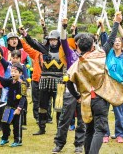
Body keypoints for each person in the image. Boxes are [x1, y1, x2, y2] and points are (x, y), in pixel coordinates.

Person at [67, 12, 123, 154]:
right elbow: (111, 39)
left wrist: (77, 96)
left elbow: (69, 83)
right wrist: (116, 23)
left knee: (89, 129)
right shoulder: (100, 55)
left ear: (78, 48)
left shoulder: (76, 64)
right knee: (100, 130)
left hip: (86, 100)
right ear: (92, 46)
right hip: (101, 98)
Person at [19, 28, 64, 135]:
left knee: (59, 107)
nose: (52, 42)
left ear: (58, 40)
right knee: (42, 106)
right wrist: (25, 35)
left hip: (60, 81)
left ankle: (59, 129)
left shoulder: (63, 51)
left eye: (54, 40)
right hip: (44, 81)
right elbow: (34, 44)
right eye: (51, 40)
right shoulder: (44, 50)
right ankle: (42, 128)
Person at [52, 21, 86, 154]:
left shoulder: (90, 55)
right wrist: (64, 28)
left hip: (84, 92)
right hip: (70, 91)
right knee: (65, 119)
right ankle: (59, 144)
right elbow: (63, 40)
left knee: (82, 121)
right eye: (81, 40)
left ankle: (79, 145)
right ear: (76, 42)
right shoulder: (70, 53)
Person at [0, 31, 28, 131]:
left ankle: (19, 123)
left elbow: (25, 76)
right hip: (6, 85)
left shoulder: (22, 54)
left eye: (15, 39)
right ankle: (1, 124)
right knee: (2, 103)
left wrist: (24, 82)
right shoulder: (4, 51)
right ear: (8, 41)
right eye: (12, 39)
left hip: (18, 87)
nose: (14, 41)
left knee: (20, 104)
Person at [0, 63, 27, 147]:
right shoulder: (10, 81)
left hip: (17, 108)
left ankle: (18, 140)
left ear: (20, 73)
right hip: (9, 106)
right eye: (12, 71)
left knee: (17, 125)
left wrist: (19, 108)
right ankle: (5, 138)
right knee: (4, 123)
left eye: (15, 72)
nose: (13, 73)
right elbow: (2, 80)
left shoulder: (23, 84)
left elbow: (23, 97)